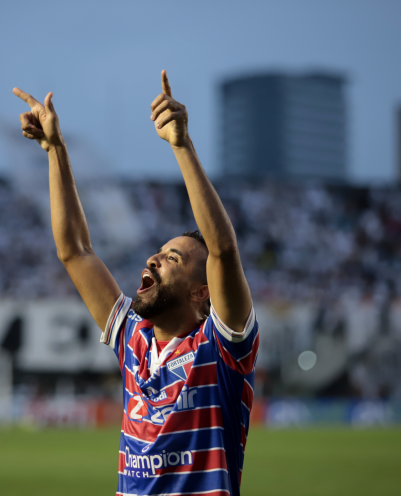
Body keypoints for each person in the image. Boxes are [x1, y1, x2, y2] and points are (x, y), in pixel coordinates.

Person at [13, 70, 259, 496]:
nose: (154, 258)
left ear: (202, 291)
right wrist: (55, 150)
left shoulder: (221, 349)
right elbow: (75, 251)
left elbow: (223, 252)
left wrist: (181, 146)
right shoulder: (133, 338)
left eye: (173, 258)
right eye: (159, 251)